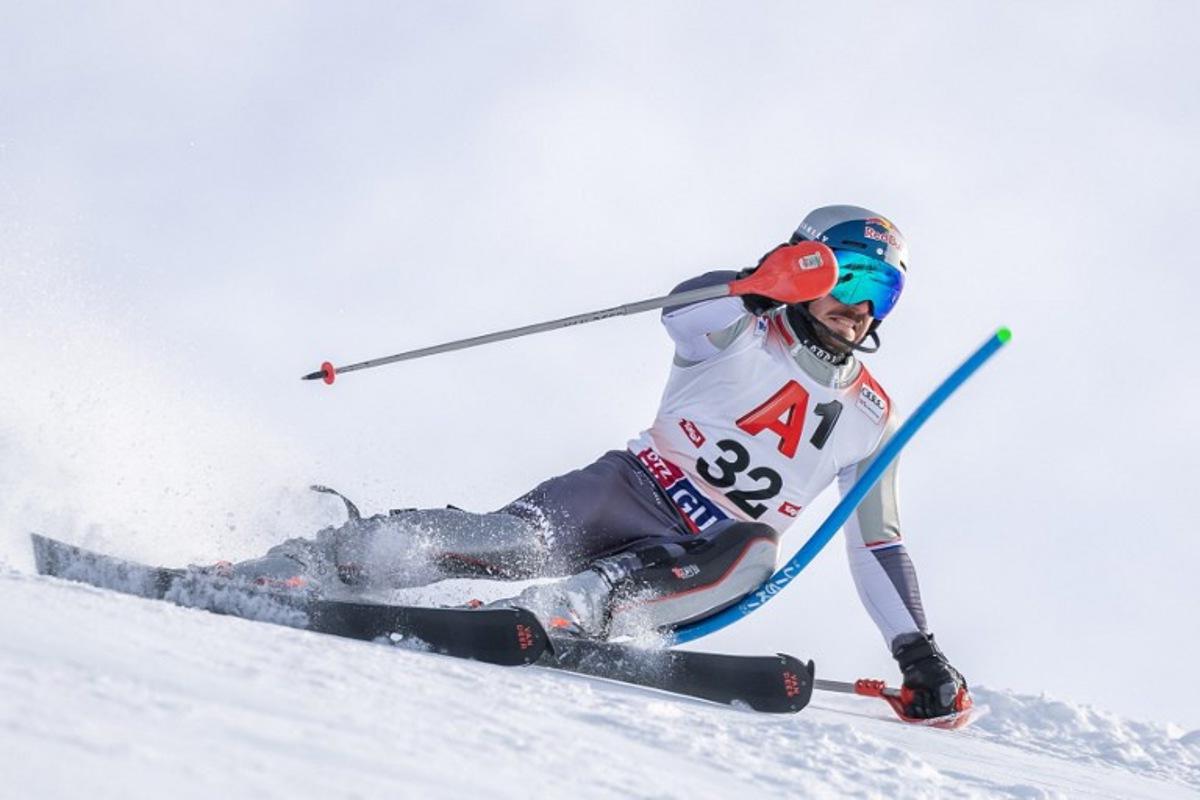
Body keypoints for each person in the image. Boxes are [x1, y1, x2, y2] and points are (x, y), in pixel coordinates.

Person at [227, 204, 969, 720]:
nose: (860, 307)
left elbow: (878, 540)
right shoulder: (742, 330)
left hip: (697, 555)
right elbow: (683, 311)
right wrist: (759, 281)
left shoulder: (872, 417)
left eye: (882, 291)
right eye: (845, 280)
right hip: (625, 489)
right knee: (504, 542)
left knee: (758, 551)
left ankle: (572, 610)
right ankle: (327, 553)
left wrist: (918, 652)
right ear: (804, 273)